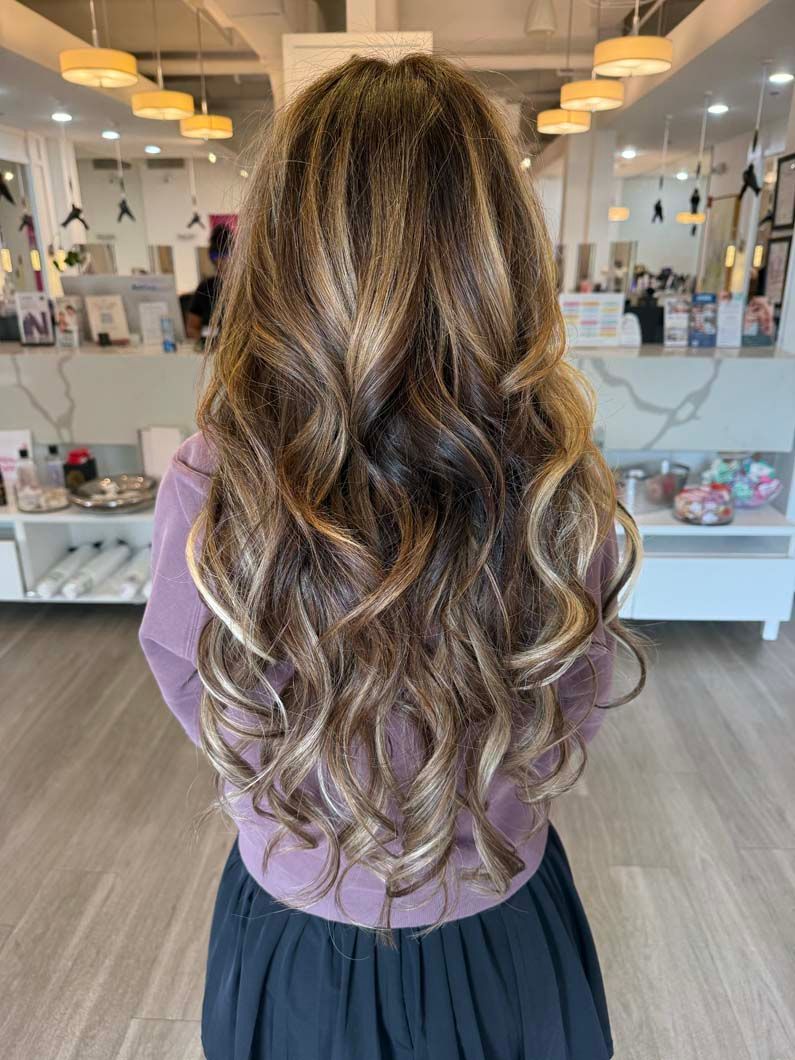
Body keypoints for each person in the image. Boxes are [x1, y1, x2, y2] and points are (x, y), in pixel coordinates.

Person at [140, 53, 645, 1060]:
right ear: (499, 247)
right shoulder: (556, 481)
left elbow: (199, 691)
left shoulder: (214, 483)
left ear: (282, 251)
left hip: (297, 942)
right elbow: (569, 709)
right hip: (502, 932)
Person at [185, 222, 233, 340]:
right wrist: (206, 342)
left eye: (225, 255)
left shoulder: (247, 287)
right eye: (215, 256)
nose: (221, 261)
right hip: (211, 350)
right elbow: (191, 328)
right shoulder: (205, 288)